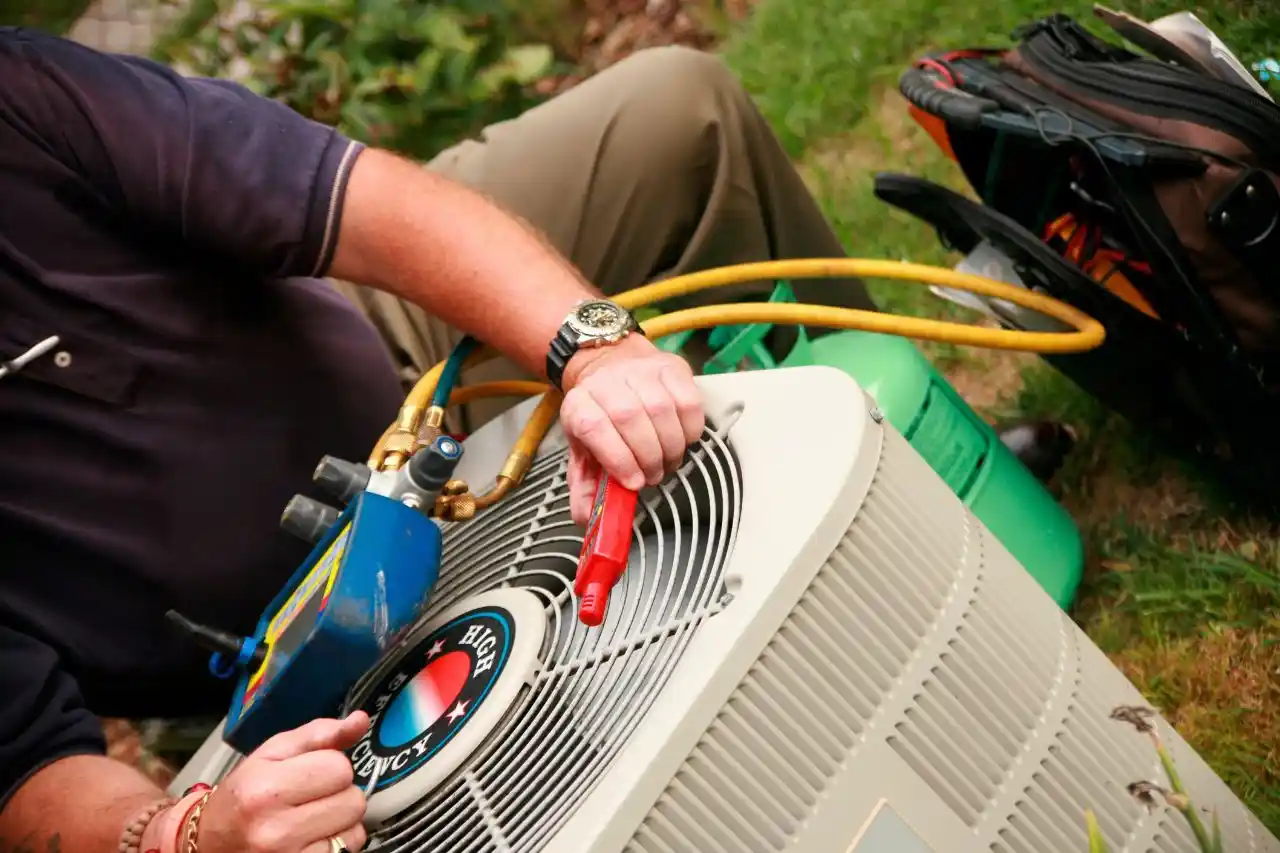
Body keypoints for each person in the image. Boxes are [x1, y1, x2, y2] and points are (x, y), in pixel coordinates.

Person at [0, 23, 875, 853]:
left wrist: (593, 349)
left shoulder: (17, 94)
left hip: (379, 347)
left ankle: (902, 460)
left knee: (679, 112)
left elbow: (350, 197)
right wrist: (182, 833)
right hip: (286, 660)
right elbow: (26, 766)